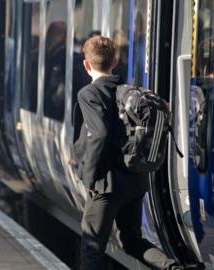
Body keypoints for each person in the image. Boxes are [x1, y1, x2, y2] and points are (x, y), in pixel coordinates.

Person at [73, 36, 178, 270]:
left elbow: (98, 134)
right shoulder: (126, 91)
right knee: (131, 240)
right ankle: (172, 267)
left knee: (92, 245)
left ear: (86, 64)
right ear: (114, 62)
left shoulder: (89, 93)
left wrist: (90, 178)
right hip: (135, 180)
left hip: (106, 185)